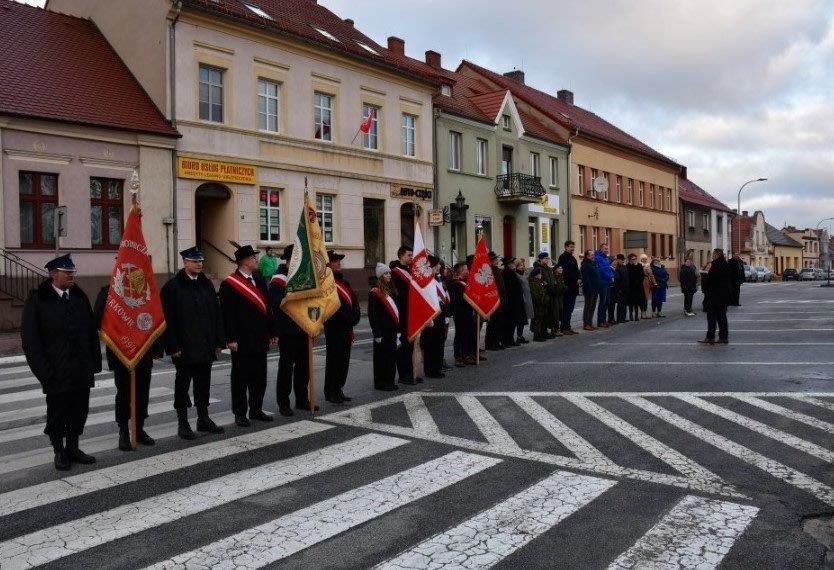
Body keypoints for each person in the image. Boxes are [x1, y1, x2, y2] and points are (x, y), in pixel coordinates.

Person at [22, 254, 101, 471]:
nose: (71, 276)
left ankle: (73, 447)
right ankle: (59, 450)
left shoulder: (78, 296)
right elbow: (31, 340)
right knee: (57, 413)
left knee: (79, 410)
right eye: (67, 273)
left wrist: (94, 362)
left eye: (72, 272)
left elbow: (90, 332)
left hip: (80, 369)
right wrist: (44, 372)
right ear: (52, 274)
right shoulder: (39, 299)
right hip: (55, 371)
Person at [161, 247, 225, 440]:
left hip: (205, 346)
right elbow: (167, 320)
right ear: (185, 263)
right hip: (184, 348)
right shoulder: (172, 287)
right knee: (182, 386)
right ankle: (183, 423)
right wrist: (172, 346)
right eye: (195, 261)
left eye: (201, 261)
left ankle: (203, 418)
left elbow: (216, 314)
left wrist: (218, 340)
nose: (199, 264)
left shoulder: (206, 284)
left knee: (203, 384)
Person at [94, 284, 162, 451]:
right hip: (121, 352)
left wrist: (157, 348)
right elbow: (98, 321)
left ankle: (138, 429)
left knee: (142, 392)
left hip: (143, 351)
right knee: (124, 393)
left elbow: (155, 317)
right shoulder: (107, 292)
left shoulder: (145, 291)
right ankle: (123, 431)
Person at [219, 245, 275, 427]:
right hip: (242, 339)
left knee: (260, 376)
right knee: (240, 378)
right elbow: (227, 314)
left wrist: (272, 332)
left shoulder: (258, 280)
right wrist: (231, 338)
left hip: (259, 337)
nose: (256, 260)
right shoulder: (229, 284)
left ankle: (256, 409)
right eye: (252, 257)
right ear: (243, 261)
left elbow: (267, 308)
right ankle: (240, 413)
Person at [269, 244, 314, 415]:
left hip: (304, 329)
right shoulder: (278, 280)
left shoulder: (301, 276)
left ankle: (302, 399)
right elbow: (278, 304)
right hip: (287, 331)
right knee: (286, 369)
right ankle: (283, 403)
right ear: (289, 261)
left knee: (304, 367)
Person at [324, 250, 361, 404]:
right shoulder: (326, 283)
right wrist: (347, 318)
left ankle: (339, 389)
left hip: (346, 327)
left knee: (344, 361)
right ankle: (330, 391)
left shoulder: (344, 282)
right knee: (334, 360)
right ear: (328, 264)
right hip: (334, 327)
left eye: (339, 261)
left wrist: (355, 317)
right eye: (335, 261)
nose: (339, 263)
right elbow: (330, 307)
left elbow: (354, 301)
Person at [390, 246, 419, 384]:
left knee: (411, 344)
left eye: (412, 255)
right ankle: (403, 375)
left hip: (412, 313)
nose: (411, 257)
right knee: (403, 345)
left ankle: (411, 372)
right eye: (408, 255)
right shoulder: (395, 273)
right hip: (402, 313)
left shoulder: (410, 271)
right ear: (401, 255)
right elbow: (395, 295)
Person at [369, 263, 399, 391]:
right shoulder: (375, 293)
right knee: (382, 359)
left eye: (389, 273)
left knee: (391, 357)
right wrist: (377, 334)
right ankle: (381, 383)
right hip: (382, 331)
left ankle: (390, 381)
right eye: (386, 274)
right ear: (380, 276)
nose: (389, 275)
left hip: (391, 330)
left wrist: (398, 331)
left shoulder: (390, 290)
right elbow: (373, 315)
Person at [421, 255, 448, 378]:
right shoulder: (426, 281)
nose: (439, 267)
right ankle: (430, 370)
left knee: (439, 341)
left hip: (440, 314)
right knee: (430, 343)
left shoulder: (437, 279)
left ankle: (437, 367)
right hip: (431, 316)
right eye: (436, 265)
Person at [700, 249, 732, 345]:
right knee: (722, 317)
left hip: (714, 296)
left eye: (713, 254)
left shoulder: (715, 265)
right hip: (724, 295)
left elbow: (711, 280)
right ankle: (723, 337)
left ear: (717, 255)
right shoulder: (726, 264)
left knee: (711, 317)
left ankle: (710, 337)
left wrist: (704, 276)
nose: (712, 256)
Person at [449, 262, 476, 366]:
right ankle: (458, 356)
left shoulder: (465, 282)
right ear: (460, 270)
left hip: (468, 312)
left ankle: (466, 355)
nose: (467, 271)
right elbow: (456, 300)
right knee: (460, 334)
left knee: (468, 333)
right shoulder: (455, 283)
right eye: (465, 269)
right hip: (459, 312)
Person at [485, 251, 507, 350]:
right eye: (495, 259)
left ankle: (497, 341)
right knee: (492, 323)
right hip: (493, 299)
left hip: (500, 299)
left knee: (499, 322)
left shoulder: (497, 270)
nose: (497, 261)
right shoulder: (489, 271)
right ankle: (490, 343)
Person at [558, 241, 580, 335]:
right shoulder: (563, 257)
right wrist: (575, 279)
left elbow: (576, 270)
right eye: (571, 247)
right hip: (567, 287)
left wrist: (579, 278)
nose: (572, 249)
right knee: (566, 308)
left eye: (573, 247)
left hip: (574, 287)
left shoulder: (573, 258)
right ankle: (564, 327)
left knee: (570, 308)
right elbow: (566, 272)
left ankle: (568, 326)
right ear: (566, 247)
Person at [501, 256, 524, 347]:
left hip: (516, 302)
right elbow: (506, 289)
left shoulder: (512, 273)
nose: (513, 265)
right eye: (511, 264)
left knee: (513, 322)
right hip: (510, 302)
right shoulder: (505, 274)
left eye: (513, 263)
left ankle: (511, 339)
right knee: (508, 323)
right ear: (507, 265)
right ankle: (506, 340)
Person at [594, 243, 614, 328]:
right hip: (603, 282)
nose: (607, 250)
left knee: (607, 302)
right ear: (601, 249)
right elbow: (601, 270)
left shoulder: (606, 258)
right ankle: (600, 321)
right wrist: (610, 276)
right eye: (605, 249)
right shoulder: (598, 258)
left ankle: (604, 320)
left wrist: (613, 275)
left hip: (608, 281)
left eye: (607, 249)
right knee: (603, 302)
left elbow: (608, 269)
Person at [580, 249, 601, 331]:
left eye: (593, 255)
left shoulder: (593, 264)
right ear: (587, 256)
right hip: (589, 289)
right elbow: (586, 279)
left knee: (593, 306)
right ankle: (586, 324)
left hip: (595, 288)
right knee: (588, 306)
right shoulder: (585, 265)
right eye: (592, 255)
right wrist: (589, 288)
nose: (593, 256)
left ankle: (590, 322)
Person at [529, 268, 549, 341]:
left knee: (542, 319)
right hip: (537, 305)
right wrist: (542, 300)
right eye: (539, 274)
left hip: (542, 304)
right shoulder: (533, 283)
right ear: (536, 275)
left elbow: (544, 292)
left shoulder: (540, 282)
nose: (541, 275)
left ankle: (541, 333)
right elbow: (535, 295)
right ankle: (536, 335)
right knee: (537, 320)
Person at [516, 258, 533, 344]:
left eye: (523, 265)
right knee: (520, 319)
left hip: (527, 298)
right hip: (521, 299)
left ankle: (520, 335)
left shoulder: (524, 273)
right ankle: (518, 336)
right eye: (520, 266)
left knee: (523, 319)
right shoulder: (517, 275)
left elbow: (530, 269)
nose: (522, 267)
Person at [612, 254, 630, 324]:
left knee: (625, 304)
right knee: (620, 304)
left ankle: (623, 317)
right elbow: (617, 279)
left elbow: (627, 277)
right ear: (618, 260)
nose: (623, 261)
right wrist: (618, 289)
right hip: (620, 289)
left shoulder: (624, 267)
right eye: (621, 259)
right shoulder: (617, 268)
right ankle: (619, 318)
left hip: (625, 288)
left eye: (623, 259)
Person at [626, 253, 645, 321]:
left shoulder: (639, 265)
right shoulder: (627, 266)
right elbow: (627, 276)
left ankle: (636, 315)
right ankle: (631, 315)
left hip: (638, 286)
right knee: (631, 302)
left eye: (635, 259)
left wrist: (639, 281)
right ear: (629, 260)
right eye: (633, 259)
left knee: (637, 301)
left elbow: (642, 275)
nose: (634, 260)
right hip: (631, 286)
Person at [640, 254, 656, 319]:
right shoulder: (639, 265)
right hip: (641, 283)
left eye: (646, 259)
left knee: (646, 298)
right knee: (642, 298)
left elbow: (651, 275)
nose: (645, 260)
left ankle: (645, 312)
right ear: (641, 259)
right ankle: (642, 312)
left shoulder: (648, 265)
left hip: (647, 282)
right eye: (643, 259)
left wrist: (654, 282)